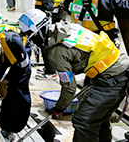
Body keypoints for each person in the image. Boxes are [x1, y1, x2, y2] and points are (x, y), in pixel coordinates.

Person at [21, 8, 129, 141]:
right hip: (117, 65)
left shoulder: (56, 53)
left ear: (39, 32)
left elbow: (69, 87)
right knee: (98, 115)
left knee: (83, 120)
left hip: (111, 77)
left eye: (32, 36)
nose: (32, 41)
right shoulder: (67, 27)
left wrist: (59, 108)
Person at [29, 0, 68, 79]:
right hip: (51, 14)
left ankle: (51, 71)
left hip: (47, 15)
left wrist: (45, 18)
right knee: (47, 42)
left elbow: (47, 0)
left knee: (46, 43)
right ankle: (49, 68)